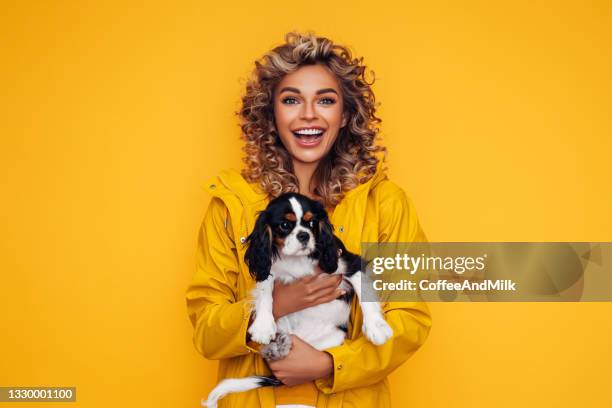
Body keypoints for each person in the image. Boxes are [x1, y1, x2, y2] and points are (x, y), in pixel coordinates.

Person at [186, 31, 432, 408]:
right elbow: (206, 328)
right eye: (291, 100)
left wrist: (328, 364)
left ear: (345, 114)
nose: (308, 115)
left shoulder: (384, 203)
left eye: (326, 100)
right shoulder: (231, 204)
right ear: (271, 114)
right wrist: (274, 305)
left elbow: (410, 318)